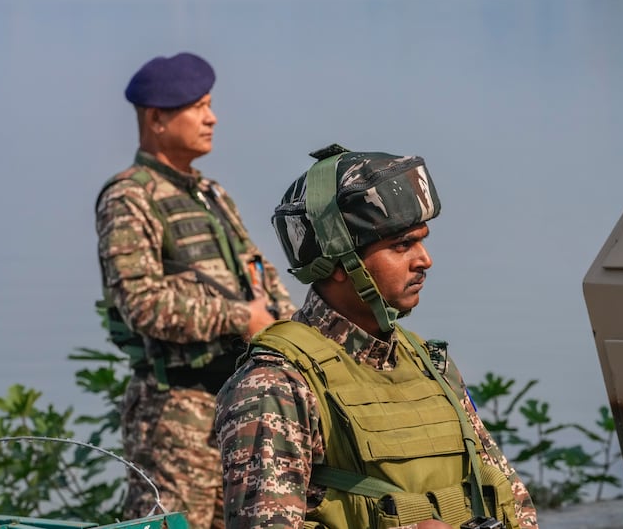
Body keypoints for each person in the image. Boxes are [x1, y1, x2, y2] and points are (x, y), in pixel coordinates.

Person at [214, 144, 539, 529]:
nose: (424, 259)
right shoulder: (276, 386)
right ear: (339, 261)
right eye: (401, 245)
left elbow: (509, 498)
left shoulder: (429, 364)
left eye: (421, 239)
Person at [95, 52, 296, 529]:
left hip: (236, 404)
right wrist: (241, 320)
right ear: (157, 118)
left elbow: (260, 275)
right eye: (199, 106)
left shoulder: (211, 193)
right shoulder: (129, 196)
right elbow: (141, 304)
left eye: (210, 104)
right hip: (174, 416)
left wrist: (291, 337)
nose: (213, 117)